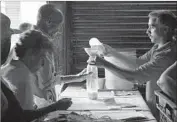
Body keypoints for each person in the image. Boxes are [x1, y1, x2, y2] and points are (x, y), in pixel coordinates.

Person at [87, 10, 177, 119]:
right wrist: (112, 53)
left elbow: (136, 76)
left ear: (165, 29)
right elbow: (137, 63)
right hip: (154, 109)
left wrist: (105, 64)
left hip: (163, 114)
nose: (147, 31)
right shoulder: (158, 47)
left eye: (152, 27)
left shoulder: (167, 54)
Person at [1, 13, 72, 122]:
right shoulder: (24, 77)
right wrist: (54, 108)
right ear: (31, 54)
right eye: (41, 57)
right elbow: (22, 118)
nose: (43, 64)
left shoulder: (9, 67)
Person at [33, 4, 91, 102]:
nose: (58, 31)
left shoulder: (43, 42)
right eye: (58, 26)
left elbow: (50, 80)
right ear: (48, 22)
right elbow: (45, 83)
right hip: (37, 104)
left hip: (45, 102)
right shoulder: (34, 44)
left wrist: (77, 77)